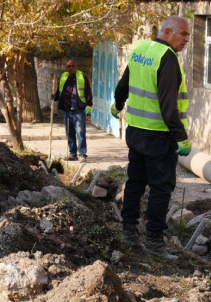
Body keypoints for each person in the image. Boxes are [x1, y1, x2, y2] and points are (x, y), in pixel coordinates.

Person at [110, 15, 192, 260]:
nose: (187, 40)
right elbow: (169, 107)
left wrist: (117, 105)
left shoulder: (141, 49)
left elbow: (124, 83)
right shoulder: (168, 59)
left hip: (135, 132)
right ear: (167, 32)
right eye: (183, 34)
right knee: (161, 187)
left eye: (188, 35)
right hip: (158, 136)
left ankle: (128, 232)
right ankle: (154, 244)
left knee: (135, 182)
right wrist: (182, 138)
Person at [52, 60, 93, 161]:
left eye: (72, 66)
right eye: (68, 66)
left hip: (78, 109)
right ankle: (72, 153)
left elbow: (88, 91)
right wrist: (54, 96)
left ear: (76, 67)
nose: (70, 68)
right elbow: (59, 90)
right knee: (69, 132)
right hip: (66, 109)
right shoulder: (64, 76)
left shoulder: (81, 76)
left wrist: (89, 105)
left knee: (80, 132)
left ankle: (82, 154)